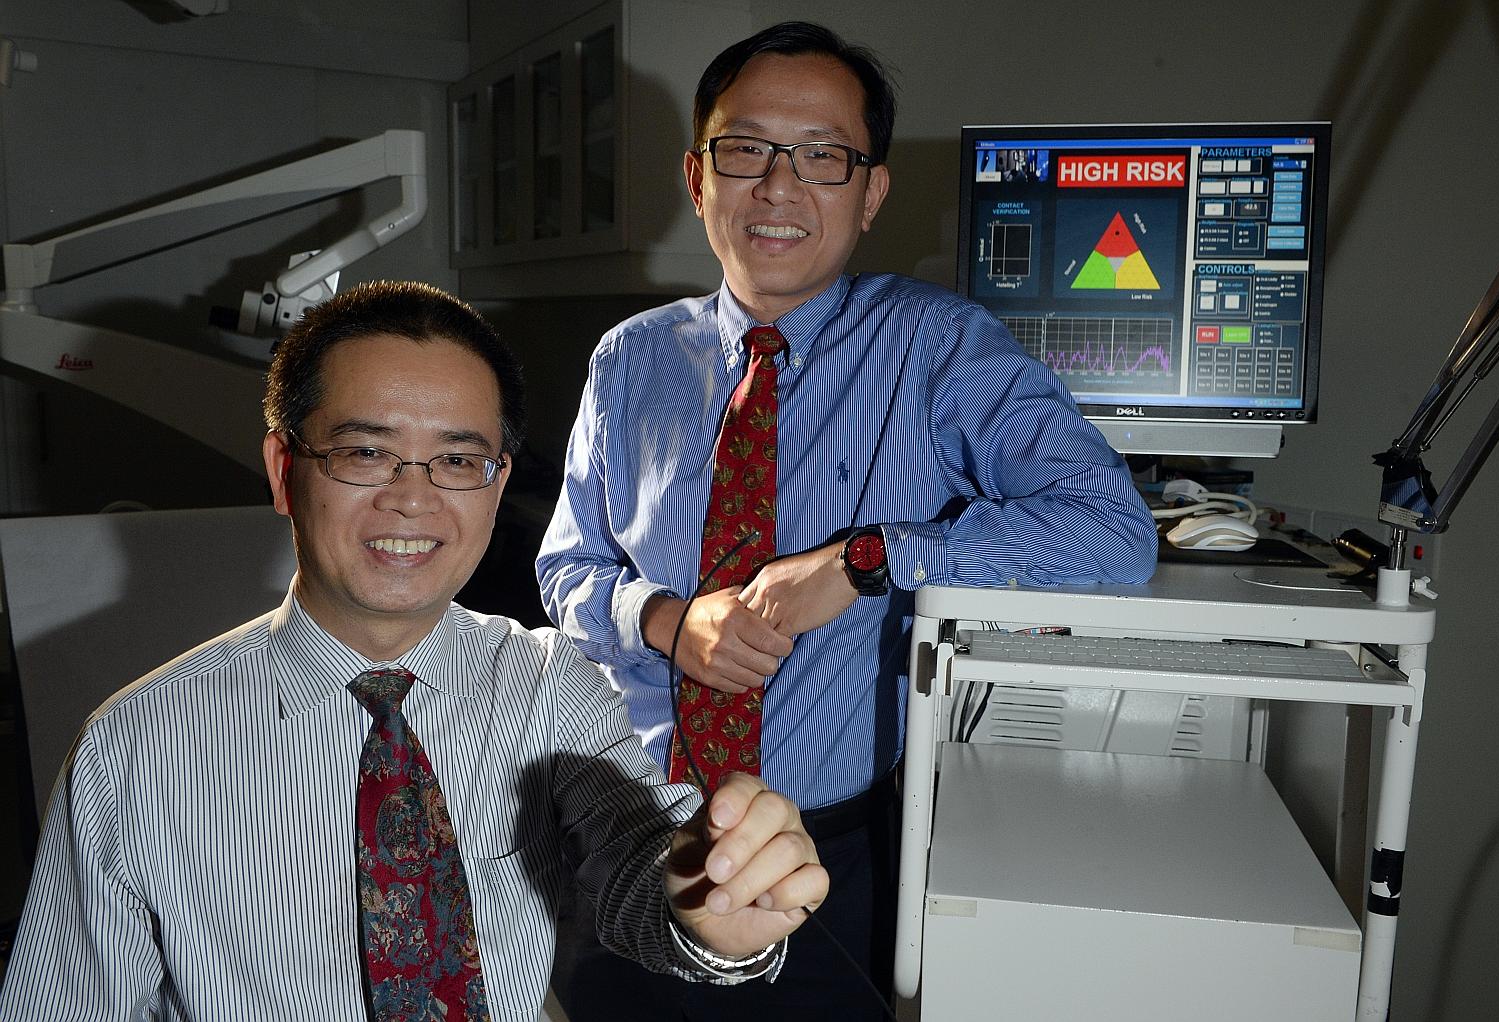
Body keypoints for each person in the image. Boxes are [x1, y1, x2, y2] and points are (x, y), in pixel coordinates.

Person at [536, 21, 1158, 1019]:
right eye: (746, 150)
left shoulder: (937, 346)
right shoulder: (628, 360)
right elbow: (567, 570)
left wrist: (867, 560)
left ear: (870, 192)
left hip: (830, 859)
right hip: (628, 836)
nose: (779, 186)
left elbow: (1114, 533)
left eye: (823, 156)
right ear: (699, 178)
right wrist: (666, 619)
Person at [0, 281, 828, 1021]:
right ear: (285, 471)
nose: (413, 499)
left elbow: (641, 851)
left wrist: (709, 901)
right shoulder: (132, 750)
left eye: (459, 461)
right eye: (366, 453)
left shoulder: (543, 685)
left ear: (499, 485)